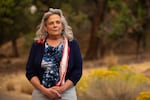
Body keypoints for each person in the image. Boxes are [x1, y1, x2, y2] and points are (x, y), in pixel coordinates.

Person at [25, 8, 82, 100]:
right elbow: (30, 71)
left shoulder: (72, 44)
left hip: (66, 93)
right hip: (41, 93)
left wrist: (62, 89)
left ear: (62, 26)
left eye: (58, 22)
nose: (55, 25)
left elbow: (77, 71)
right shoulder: (37, 45)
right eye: (51, 23)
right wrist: (44, 90)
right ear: (45, 27)